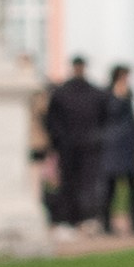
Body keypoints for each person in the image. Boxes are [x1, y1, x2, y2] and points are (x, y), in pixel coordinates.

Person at [43, 57, 108, 230]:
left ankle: (87, 217)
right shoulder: (63, 93)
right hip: (69, 147)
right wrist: (59, 140)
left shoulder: (93, 93)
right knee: (69, 183)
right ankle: (68, 218)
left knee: (87, 184)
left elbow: (104, 119)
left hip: (87, 147)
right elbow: (52, 120)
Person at [99, 65, 134, 236]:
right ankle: (106, 224)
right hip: (112, 146)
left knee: (133, 188)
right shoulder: (107, 95)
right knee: (110, 188)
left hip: (128, 147)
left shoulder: (129, 93)